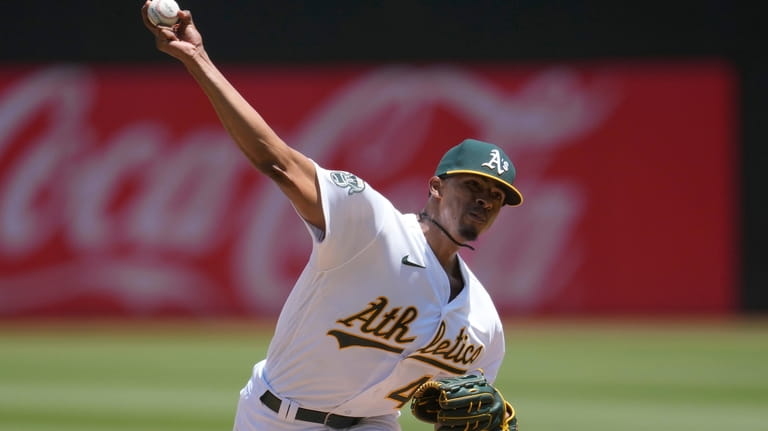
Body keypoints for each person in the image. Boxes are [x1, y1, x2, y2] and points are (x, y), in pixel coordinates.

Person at [141, 2, 523, 430]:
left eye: (496, 195)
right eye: (472, 185)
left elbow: (467, 412)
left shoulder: (483, 323)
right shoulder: (370, 224)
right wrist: (198, 59)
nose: (484, 200)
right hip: (277, 418)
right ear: (436, 187)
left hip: (374, 423)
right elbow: (279, 162)